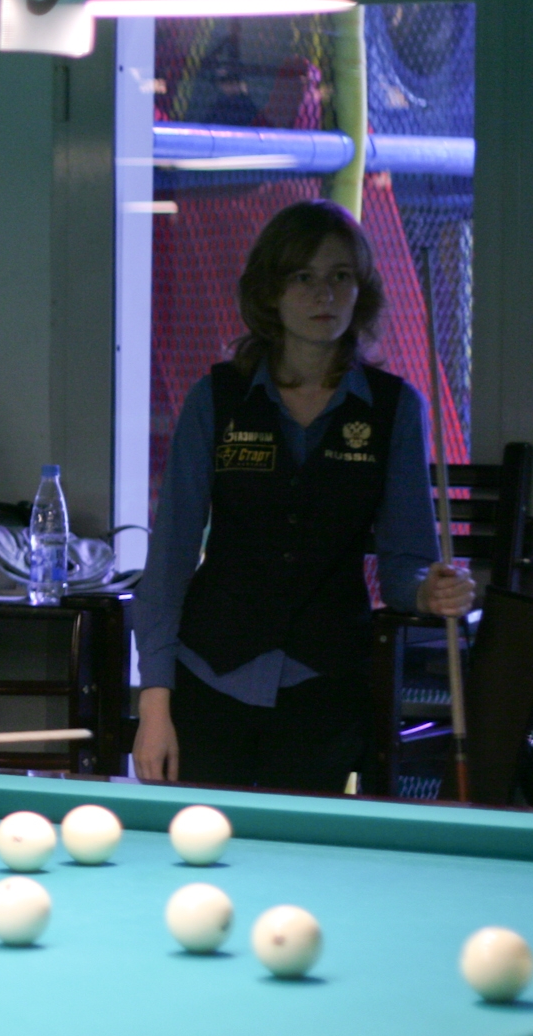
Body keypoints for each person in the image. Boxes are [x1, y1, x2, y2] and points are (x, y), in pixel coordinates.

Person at [131, 199, 475, 792]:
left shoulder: (395, 409)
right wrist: (154, 706)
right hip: (210, 677)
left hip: (326, 687)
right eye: (303, 277)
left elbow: (404, 565)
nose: (324, 295)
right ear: (270, 291)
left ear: (360, 290)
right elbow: (169, 562)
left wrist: (430, 589)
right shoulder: (216, 398)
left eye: (340, 276)